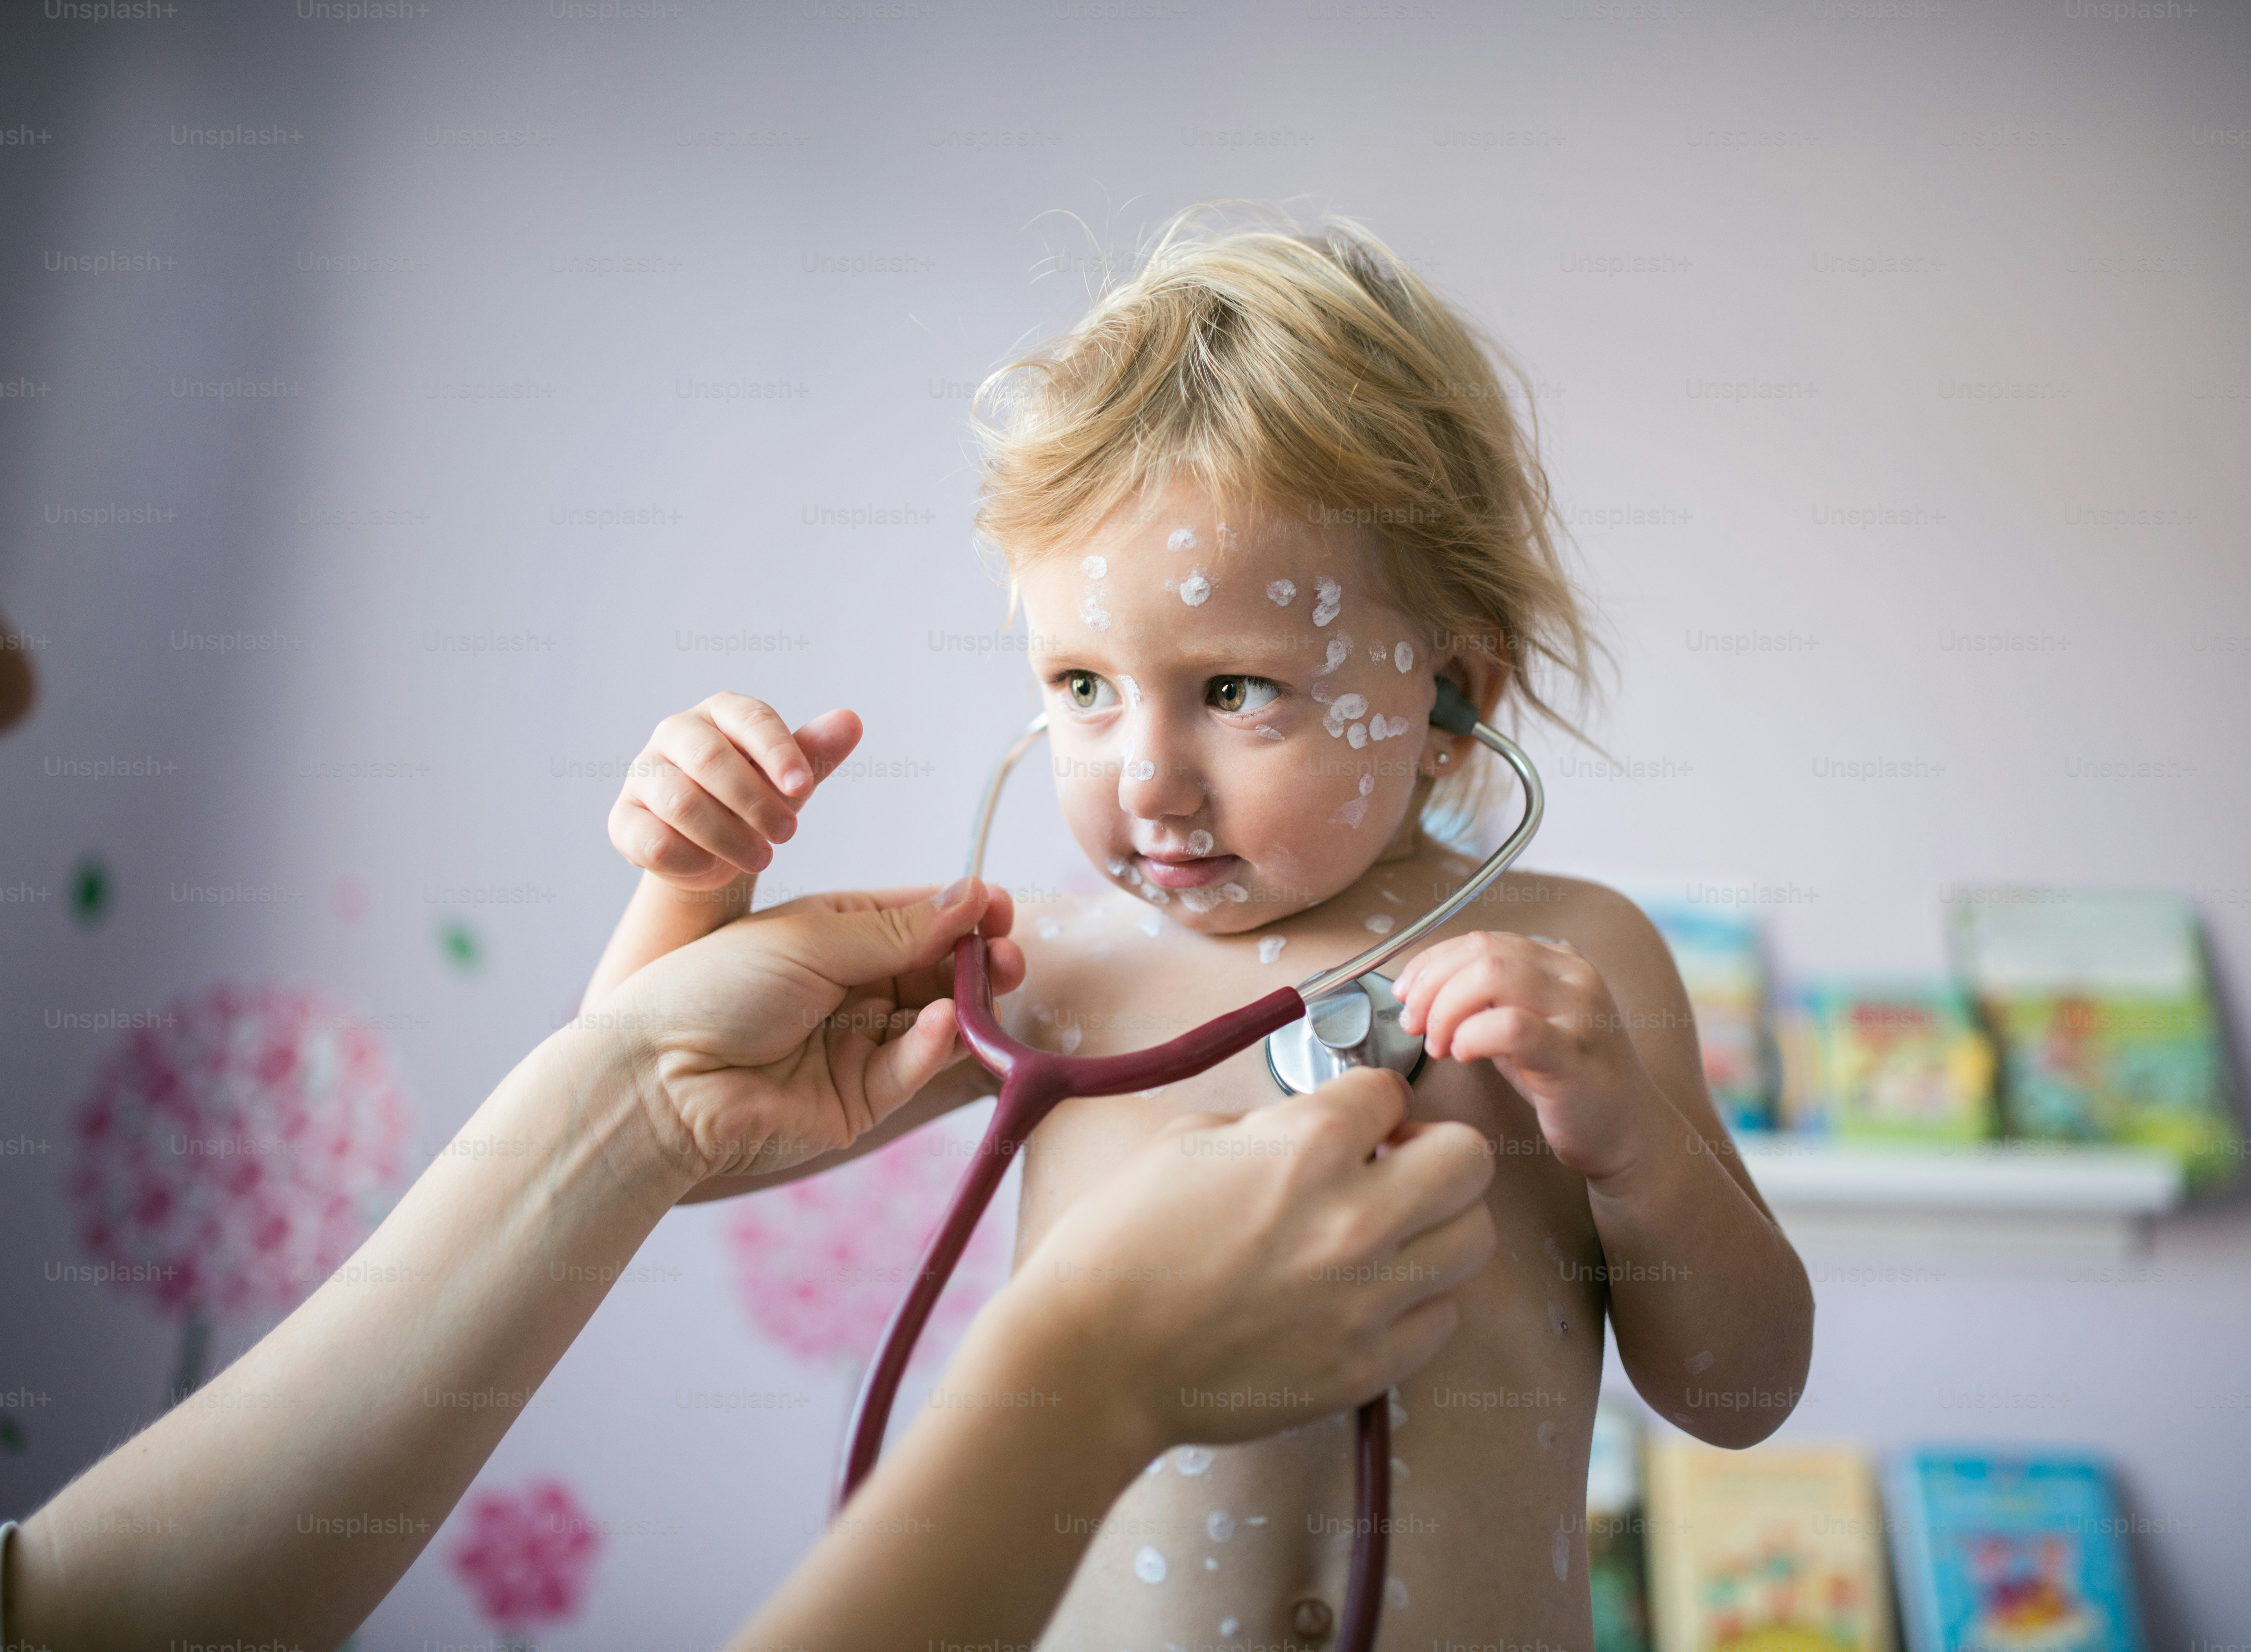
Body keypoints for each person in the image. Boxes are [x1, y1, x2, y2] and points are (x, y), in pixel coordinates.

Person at [594, 210, 1815, 1649]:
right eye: (1084, 685)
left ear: (1448, 697)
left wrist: (1630, 1143)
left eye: (1235, 690)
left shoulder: (1578, 963)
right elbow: (661, 1140)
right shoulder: (1044, 970)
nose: (1146, 779)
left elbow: (1741, 1393)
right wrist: (689, 884)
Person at [0, 876, 1496, 1648]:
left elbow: (70, 1623)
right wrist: (1083, 1373)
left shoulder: (1544, 958)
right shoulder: (1085, 967)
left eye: (1235, 689)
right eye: (1083, 687)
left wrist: (635, 1098)